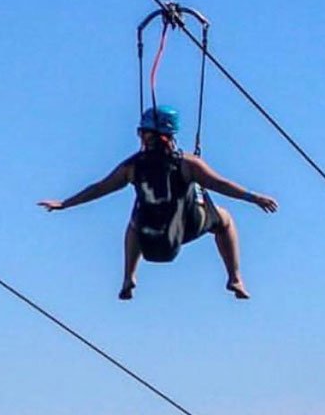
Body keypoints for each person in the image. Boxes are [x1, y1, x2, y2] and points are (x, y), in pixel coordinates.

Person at [39, 105, 278, 301]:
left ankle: (129, 276)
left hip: (148, 236)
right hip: (184, 228)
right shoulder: (187, 164)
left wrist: (65, 204)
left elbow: (101, 187)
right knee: (224, 220)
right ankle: (235, 277)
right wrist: (252, 197)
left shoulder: (133, 166)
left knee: (133, 222)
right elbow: (220, 184)